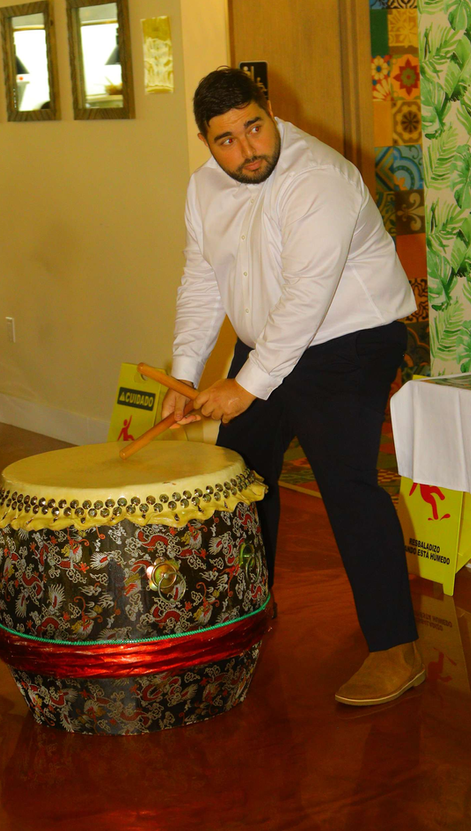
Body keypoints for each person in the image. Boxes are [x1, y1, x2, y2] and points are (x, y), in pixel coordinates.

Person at [162, 67, 424, 706]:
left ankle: (397, 650)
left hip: (351, 338)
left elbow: (308, 297)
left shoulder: (319, 180)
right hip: (271, 340)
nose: (248, 149)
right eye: (227, 140)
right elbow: (203, 282)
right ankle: (244, 615)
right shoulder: (203, 189)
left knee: (347, 483)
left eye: (255, 127)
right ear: (205, 141)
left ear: (270, 112)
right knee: (240, 476)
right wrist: (184, 372)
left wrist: (245, 386)